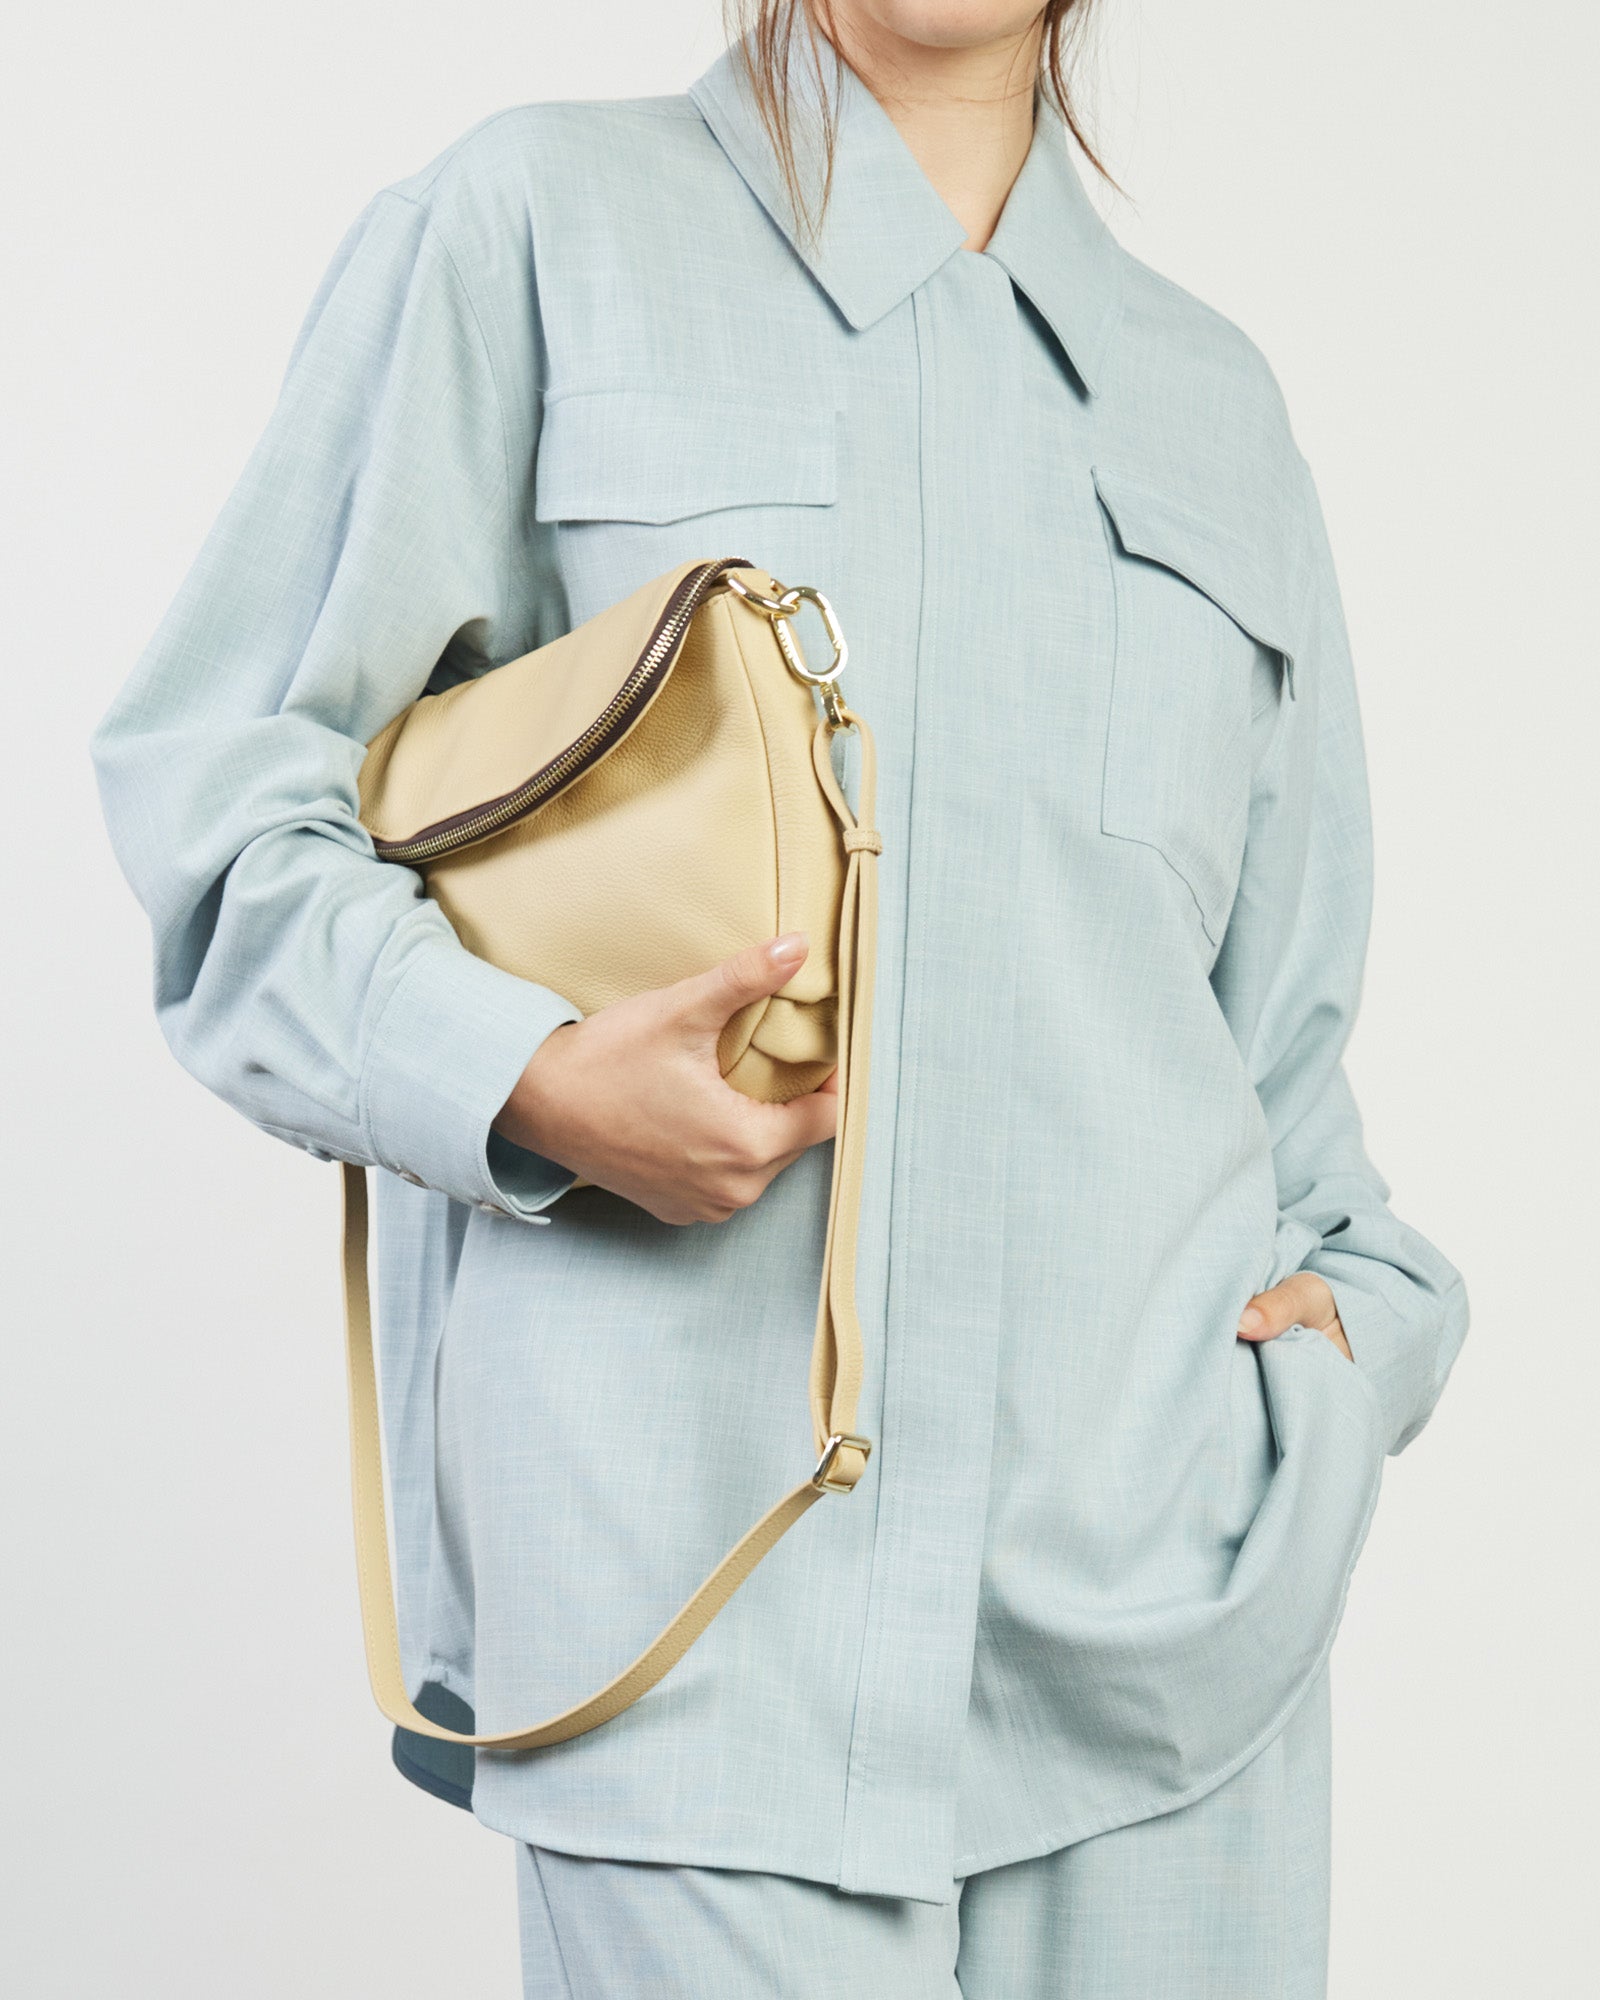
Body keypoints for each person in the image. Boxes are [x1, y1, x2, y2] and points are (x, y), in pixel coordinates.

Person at [91, 2, 1469, 1993]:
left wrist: (1351, 1360)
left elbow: (1273, 1071)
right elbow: (221, 795)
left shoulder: (1209, 409)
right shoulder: (534, 231)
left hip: (1170, 1686)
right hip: (692, 1638)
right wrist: (529, 1079)